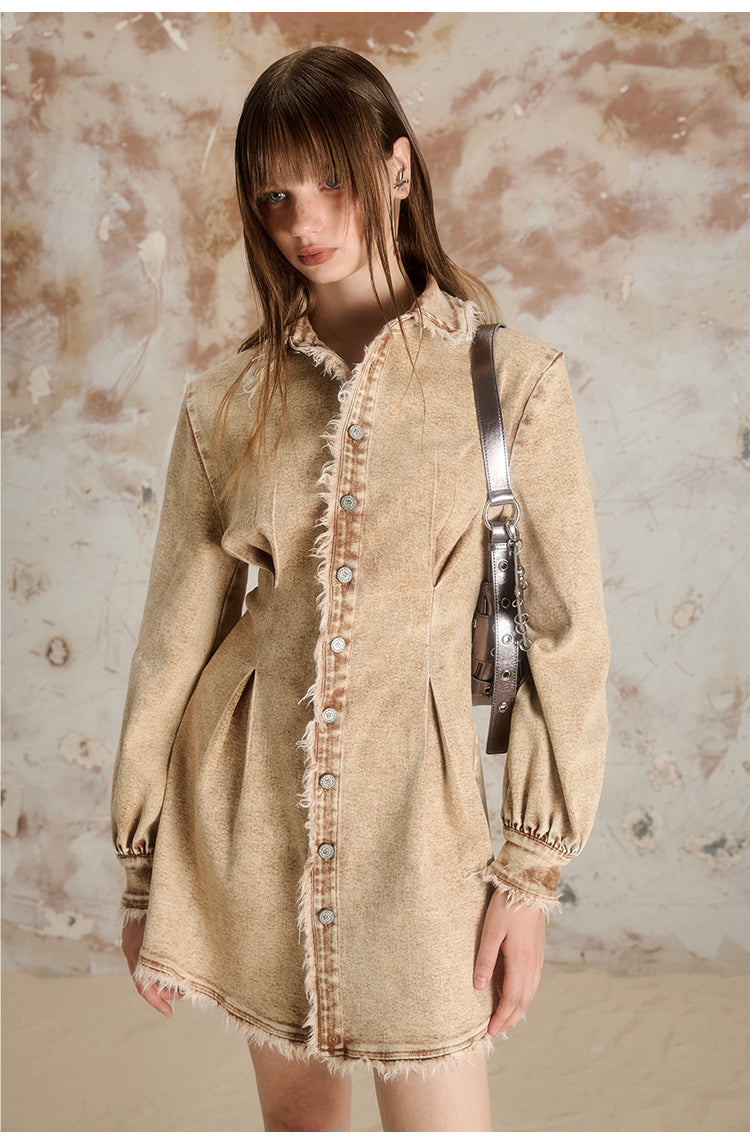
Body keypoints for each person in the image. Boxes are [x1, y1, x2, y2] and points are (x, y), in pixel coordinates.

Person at [112, 45, 609, 1132]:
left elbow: (565, 638)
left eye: (331, 181)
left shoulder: (512, 382)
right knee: (301, 1127)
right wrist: (146, 870)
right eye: (275, 196)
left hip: (423, 826)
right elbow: (173, 640)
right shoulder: (226, 400)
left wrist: (529, 876)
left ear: (396, 169)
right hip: (247, 812)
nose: (304, 221)